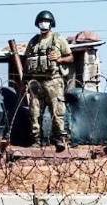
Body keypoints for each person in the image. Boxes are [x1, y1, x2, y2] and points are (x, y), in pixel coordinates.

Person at [23, 10, 73, 152]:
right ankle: (36, 140)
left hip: (53, 81)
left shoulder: (58, 40)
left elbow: (70, 57)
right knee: (34, 112)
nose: (43, 24)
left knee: (57, 112)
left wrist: (59, 59)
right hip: (36, 83)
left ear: (51, 24)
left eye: (46, 22)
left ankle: (60, 139)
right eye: (41, 22)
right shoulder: (33, 42)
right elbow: (26, 61)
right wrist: (24, 80)